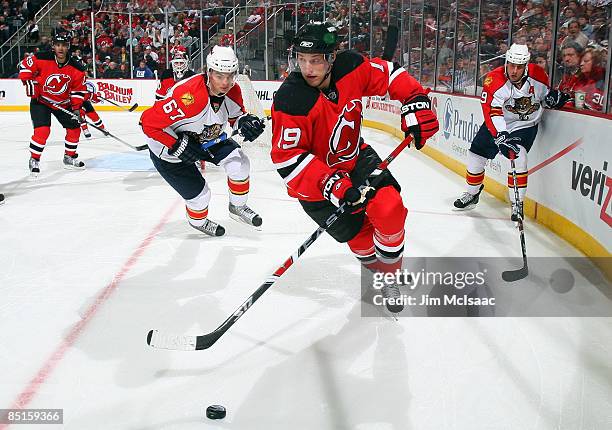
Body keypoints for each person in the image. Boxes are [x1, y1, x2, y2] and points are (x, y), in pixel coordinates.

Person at [270, 22, 439, 314]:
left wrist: (415, 99)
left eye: (316, 60)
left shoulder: (351, 67)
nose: (308, 68)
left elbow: (390, 74)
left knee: (390, 209)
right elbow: (287, 159)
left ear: (332, 58)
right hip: (316, 183)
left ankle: (390, 275)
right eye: (302, 60)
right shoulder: (290, 99)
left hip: (355, 158)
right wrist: (332, 185)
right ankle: (381, 272)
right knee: (360, 240)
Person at [140, 45, 266, 237]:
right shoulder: (188, 96)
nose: (225, 82)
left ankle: (238, 207)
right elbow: (147, 122)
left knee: (240, 164)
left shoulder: (234, 90)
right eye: (219, 76)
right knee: (201, 197)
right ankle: (197, 221)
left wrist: (245, 122)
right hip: (167, 152)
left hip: (208, 139)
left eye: (230, 75)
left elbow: (235, 117)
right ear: (208, 72)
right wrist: (176, 144)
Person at [453, 44, 570, 221]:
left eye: (519, 66)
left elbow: (544, 97)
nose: (514, 70)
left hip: (525, 125)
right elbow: (492, 112)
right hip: (500, 123)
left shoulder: (538, 75)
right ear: (506, 62)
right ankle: (472, 193)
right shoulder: (494, 80)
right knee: (475, 154)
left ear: (526, 66)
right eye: (511, 65)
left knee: (519, 156)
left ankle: (517, 204)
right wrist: (500, 134)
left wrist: (553, 98)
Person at [18, 33, 88, 178]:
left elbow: (78, 90)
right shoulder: (41, 57)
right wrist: (30, 82)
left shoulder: (77, 68)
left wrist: (76, 108)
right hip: (41, 101)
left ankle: (69, 157)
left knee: (74, 128)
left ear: (68, 47)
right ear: (53, 46)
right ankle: (34, 159)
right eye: (57, 45)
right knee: (43, 131)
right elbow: (24, 68)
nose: (60, 48)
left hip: (63, 103)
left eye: (63, 45)